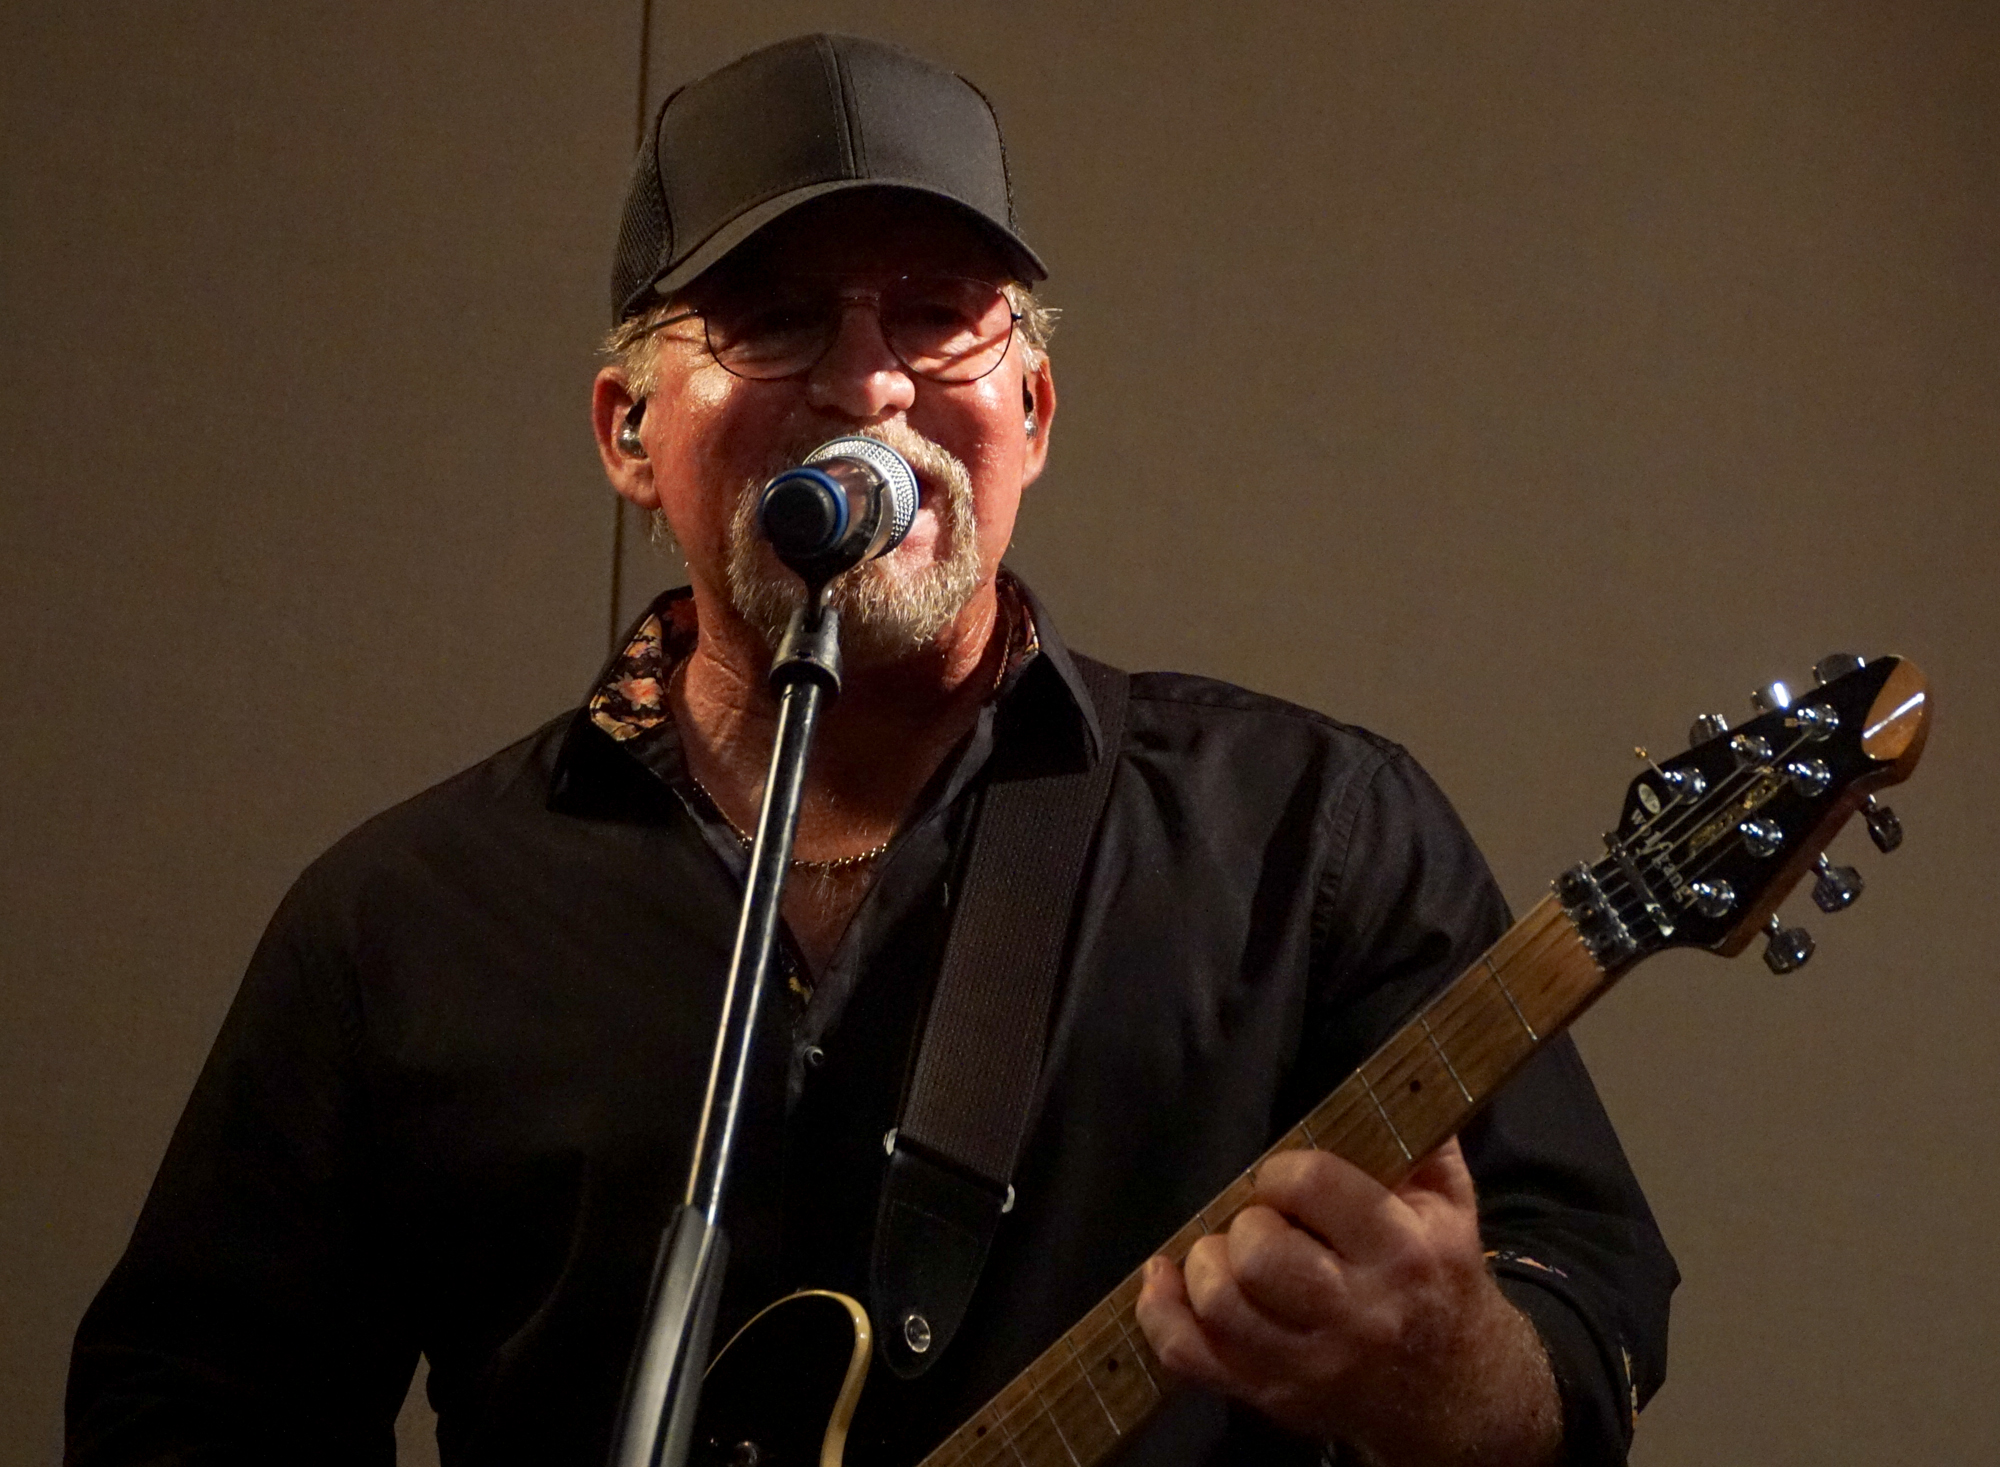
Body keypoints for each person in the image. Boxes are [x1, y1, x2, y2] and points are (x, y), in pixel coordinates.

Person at [67, 32, 1675, 1467]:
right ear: (629, 431)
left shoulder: (1313, 836)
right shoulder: (405, 918)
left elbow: (1586, 1308)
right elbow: (189, 1405)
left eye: (937, 315)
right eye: (774, 320)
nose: (868, 381)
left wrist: (1448, 1376)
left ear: (1032, 411)